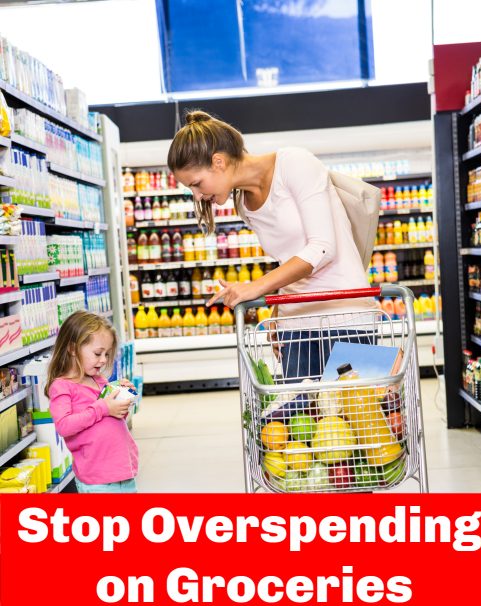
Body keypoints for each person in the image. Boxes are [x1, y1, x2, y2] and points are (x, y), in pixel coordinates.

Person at [167, 110, 375, 380]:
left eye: (196, 184)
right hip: (296, 324)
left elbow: (323, 248)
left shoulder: (294, 163)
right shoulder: (243, 203)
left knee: (358, 417)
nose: (197, 195)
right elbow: (288, 259)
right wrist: (278, 311)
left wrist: (255, 287)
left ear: (218, 162)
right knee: (301, 420)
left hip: (345, 315)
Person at [45, 310, 139, 493]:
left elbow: (114, 418)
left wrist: (123, 399)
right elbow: (64, 426)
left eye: (107, 354)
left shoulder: (99, 381)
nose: (103, 360)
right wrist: (103, 407)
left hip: (123, 471)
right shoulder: (62, 386)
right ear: (72, 348)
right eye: (98, 353)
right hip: (98, 480)